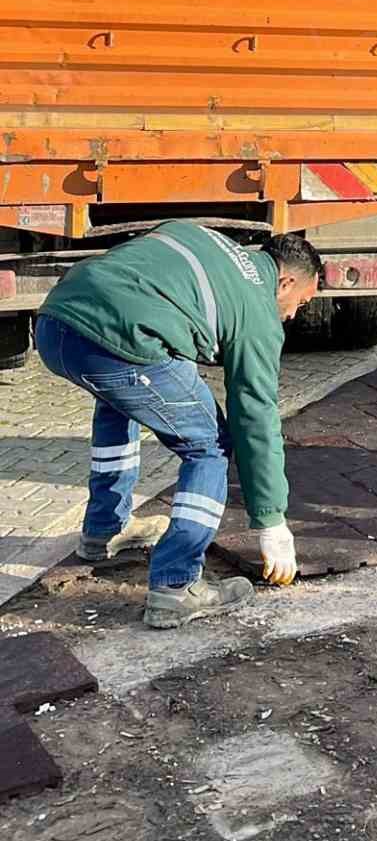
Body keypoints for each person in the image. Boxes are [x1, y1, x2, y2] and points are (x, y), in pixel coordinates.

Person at [35, 222, 322, 629]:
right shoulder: (258, 311)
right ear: (286, 281)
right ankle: (176, 585)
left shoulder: (207, 238)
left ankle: (104, 528)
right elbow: (255, 416)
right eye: (301, 301)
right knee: (209, 445)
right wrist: (271, 520)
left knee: (119, 402)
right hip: (121, 340)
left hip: (54, 324)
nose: (294, 314)